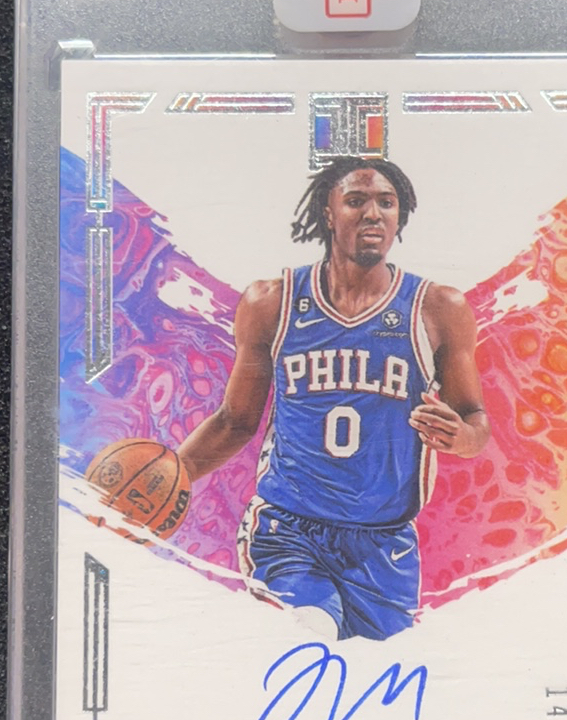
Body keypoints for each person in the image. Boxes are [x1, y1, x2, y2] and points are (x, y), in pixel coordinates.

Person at [177, 156, 489, 640]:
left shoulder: (438, 308)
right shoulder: (272, 302)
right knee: (309, 636)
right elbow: (235, 421)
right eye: (356, 200)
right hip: (289, 530)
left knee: (376, 676)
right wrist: (174, 476)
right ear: (328, 212)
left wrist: (462, 437)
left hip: (385, 542)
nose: (373, 214)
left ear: (400, 216)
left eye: (387, 203)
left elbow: (475, 419)